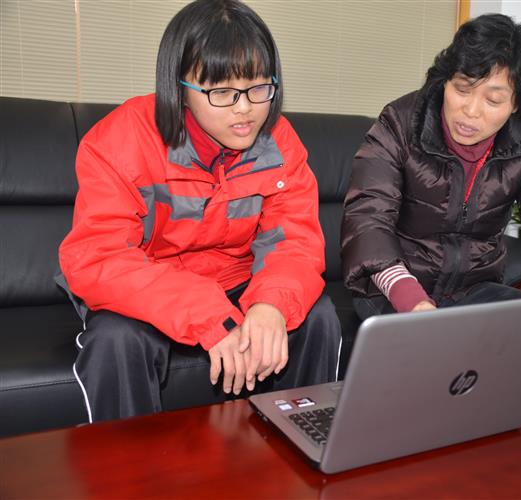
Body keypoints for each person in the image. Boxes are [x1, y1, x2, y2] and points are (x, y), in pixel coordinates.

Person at [58, 0, 341, 423]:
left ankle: (302, 447)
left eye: (259, 88)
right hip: (151, 287)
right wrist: (208, 318)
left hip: (238, 282)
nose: (245, 108)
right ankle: (130, 463)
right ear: (179, 90)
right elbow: (100, 257)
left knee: (317, 316)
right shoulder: (122, 139)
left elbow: (295, 243)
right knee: (115, 338)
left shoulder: (280, 142)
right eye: (222, 92)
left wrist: (271, 305)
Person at [341, 13, 521, 369]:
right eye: (462, 89)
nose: (470, 112)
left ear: (516, 105)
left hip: (474, 292)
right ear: (444, 80)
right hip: (394, 290)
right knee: (437, 365)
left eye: (493, 100)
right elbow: (368, 220)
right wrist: (415, 305)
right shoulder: (399, 125)